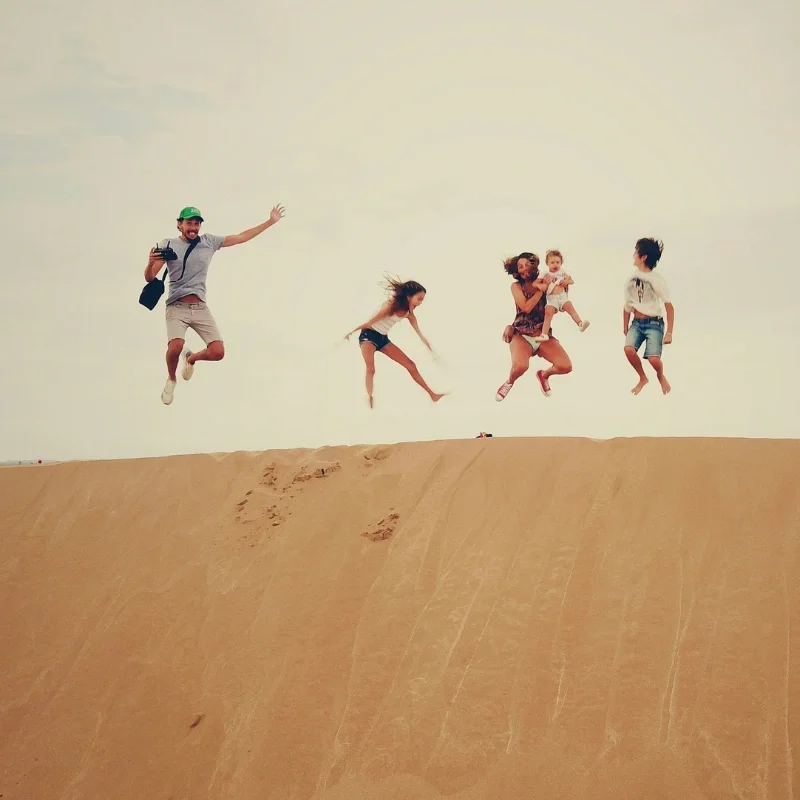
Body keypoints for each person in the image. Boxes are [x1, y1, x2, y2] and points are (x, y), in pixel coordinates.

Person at [144, 204, 286, 405]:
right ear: (179, 225)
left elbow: (241, 237)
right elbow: (150, 277)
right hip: (177, 306)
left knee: (218, 352)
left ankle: (191, 359)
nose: (193, 227)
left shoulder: (209, 242)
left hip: (200, 307)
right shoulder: (168, 245)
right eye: (189, 223)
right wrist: (150, 263)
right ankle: (171, 379)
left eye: (196, 223)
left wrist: (270, 222)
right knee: (176, 346)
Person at [344, 278, 446, 408]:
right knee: (371, 368)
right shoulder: (390, 306)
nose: (420, 303)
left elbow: (419, 333)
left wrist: (429, 347)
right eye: (419, 299)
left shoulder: (409, 314)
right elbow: (370, 322)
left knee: (411, 365)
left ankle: (433, 395)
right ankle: (369, 397)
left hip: (383, 339)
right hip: (368, 335)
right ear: (409, 296)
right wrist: (351, 332)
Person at [495, 252, 574, 402]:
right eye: (520, 267)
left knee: (565, 366)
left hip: (542, 334)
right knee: (520, 367)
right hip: (521, 333)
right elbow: (525, 307)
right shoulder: (516, 286)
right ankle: (509, 382)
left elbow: (560, 299)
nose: (524, 269)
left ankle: (543, 375)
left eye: (527, 265)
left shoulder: (545, 279)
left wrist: (565, 282)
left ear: (534, 266)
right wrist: (540, 290)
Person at [623, 237, 674, 395]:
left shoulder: (656, 279)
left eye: (636, 253)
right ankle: (642, 378)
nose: (633, 256)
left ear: (643, 257)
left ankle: (660, 375)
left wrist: (669, 332)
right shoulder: (631, 279)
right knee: (629, 349)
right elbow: (627, 305)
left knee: (653, 359)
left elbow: (669, 306)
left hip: (654, 324)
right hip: (636, 323)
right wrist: (625, 326)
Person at [533, 249, 590, 342]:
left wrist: (566, 281)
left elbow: (571, 281)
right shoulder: (545, 274)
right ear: (547, 263)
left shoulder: (562, 272)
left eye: (557, 262)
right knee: (548, 313)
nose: (555, 264)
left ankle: (580, 324)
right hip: (552, 298)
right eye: (552, 262)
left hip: (562, 297)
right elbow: (535, 283)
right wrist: (541, 285)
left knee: (570, 308)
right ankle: (544, 334)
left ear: (561, 263)